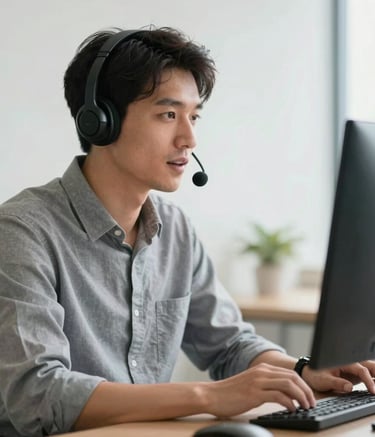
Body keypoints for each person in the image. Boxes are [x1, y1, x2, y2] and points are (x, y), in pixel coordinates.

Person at [0, 25, 374, 437]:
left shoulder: (174, 231)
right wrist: (208, 397)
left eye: (194, 116)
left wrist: (304, 371)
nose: (189, 138)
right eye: (168, 114)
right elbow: (37, 394)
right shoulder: (22, 232)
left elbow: (230, 345)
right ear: (99, 121)